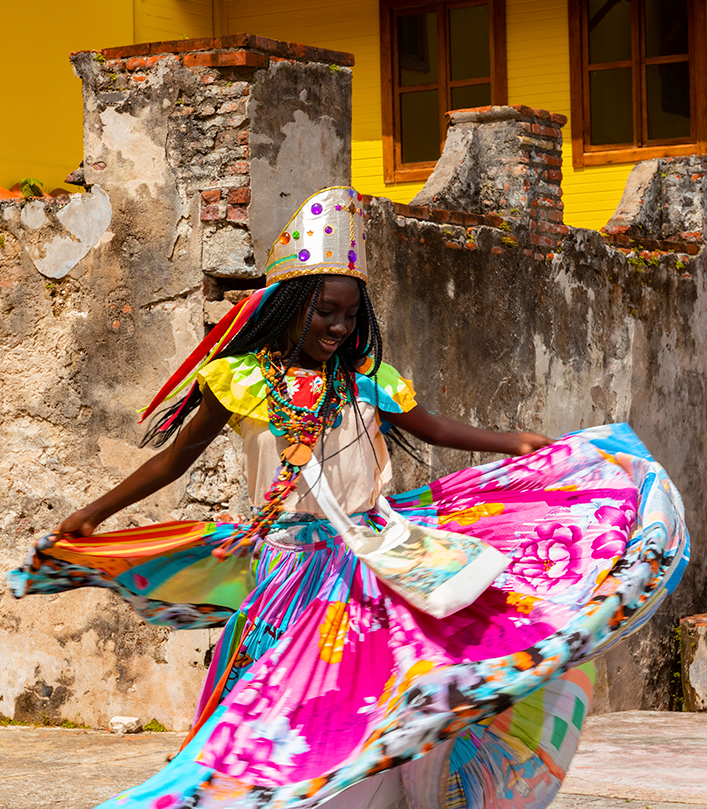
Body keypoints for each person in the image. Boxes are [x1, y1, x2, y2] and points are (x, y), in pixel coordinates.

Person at [8, 187, 688, 809]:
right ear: (286, 306)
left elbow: (436, 427)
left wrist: (509, 441)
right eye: (323, 311)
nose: (336, 327)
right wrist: (93, 513)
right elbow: (174, 457)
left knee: (378, 702)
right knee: (271, 709)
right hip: (283, 577)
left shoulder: (369, 381)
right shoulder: (239, 380)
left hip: (369, 568)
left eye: (348, 314)